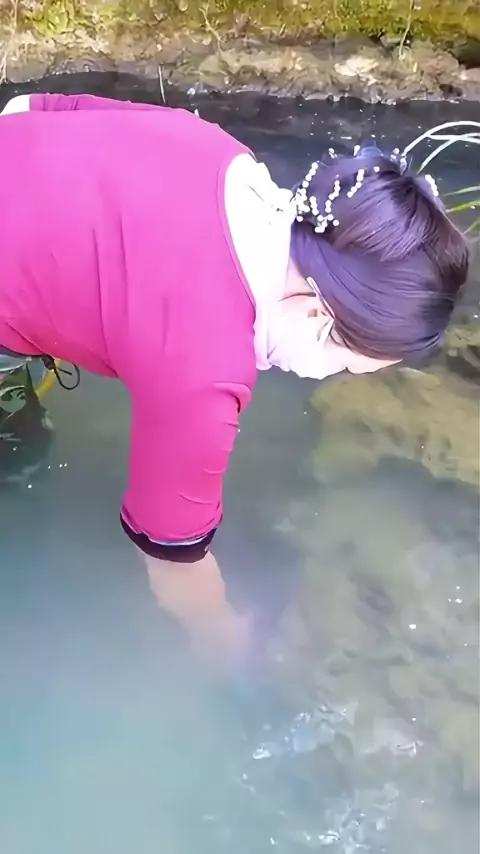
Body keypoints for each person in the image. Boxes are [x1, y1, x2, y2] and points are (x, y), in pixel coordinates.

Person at [0, 93, 469, 662]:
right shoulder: (206, 373)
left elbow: (28, 108)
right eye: (347, 362)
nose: (336, 376)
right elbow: (170, 551)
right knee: (19, 457)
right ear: (316, 314)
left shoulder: (218, 152)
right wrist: (228, 648)